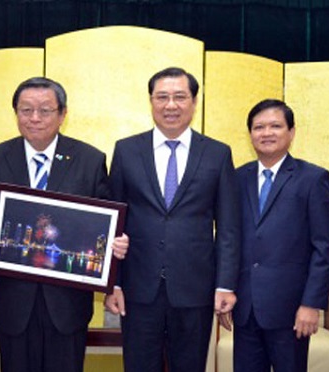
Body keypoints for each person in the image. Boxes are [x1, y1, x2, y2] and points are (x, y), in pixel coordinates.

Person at [0, 76, 128, 372]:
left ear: (63, 114)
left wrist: (115, 240)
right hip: (12, 302)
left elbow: (107, 220)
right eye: (26, 110)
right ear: (15, 113)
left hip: (67, 306)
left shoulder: (89, 160)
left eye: (45, 110)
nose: (35, 118)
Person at [104, 67, 241, 372]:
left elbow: (229, 228)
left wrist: (225, 284)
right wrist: (113, 283)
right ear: (151, 101)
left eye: (180, 97)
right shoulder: (126, 151)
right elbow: (114, 221)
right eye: (162, 97)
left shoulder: (217, 154)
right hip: (139, 288)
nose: (171, 105)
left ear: (194, 102)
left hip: (195, 288)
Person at [232, 99, 329, 372]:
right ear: (250, 134)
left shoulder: (313, 179)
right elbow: (229, 239)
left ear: (291, 132)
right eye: (259, 127)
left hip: (291, 310)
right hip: (245, 309)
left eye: (275, 126)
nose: (266, 133)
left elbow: (324, 248)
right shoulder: (236, 178)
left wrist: (311, 304)